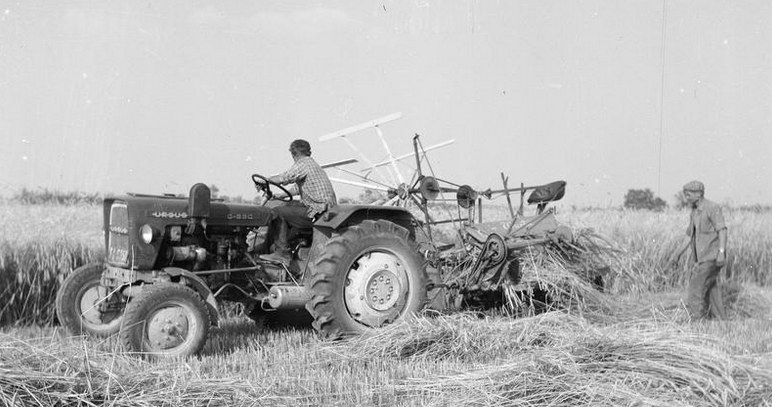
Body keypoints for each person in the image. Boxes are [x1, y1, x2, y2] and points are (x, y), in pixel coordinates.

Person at [259, 139, 337, 265]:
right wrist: (280, 195)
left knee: (276, 212)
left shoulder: (303, 163)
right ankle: (281, 247)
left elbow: (285, 177)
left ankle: (282, 253)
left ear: (294, 154)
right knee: (288, 205)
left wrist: (266, 181)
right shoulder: (313, 165)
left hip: (319, 211)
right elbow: (297, 188)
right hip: (324, 209)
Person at [672, 180, 728, 320]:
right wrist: (677, 254)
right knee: (711, 289)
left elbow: (722, 231)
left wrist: (721, 252)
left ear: (698, 194)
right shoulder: (694, 211)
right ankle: (722, 321)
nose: (686, 198)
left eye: (688, 195)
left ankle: (698, 321)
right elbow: (689, 236)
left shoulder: (712, 208)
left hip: (712, 256)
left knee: (695, 289)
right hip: (701, 258)